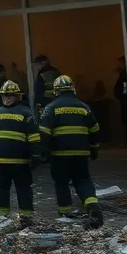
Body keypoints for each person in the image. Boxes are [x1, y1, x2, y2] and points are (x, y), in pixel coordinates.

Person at [37, 74, 103, 229]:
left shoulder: (51, 108)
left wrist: (42, 151)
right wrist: (94, 148)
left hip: (60, 154)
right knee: (83, 180)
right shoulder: (84, 107)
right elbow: (95, 129)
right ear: (73, 90)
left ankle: (65, 213)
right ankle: (93, 206)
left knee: (61, 182)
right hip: (81, 153)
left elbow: (44, 132)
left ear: (55, 91)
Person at [0, 80, 40, 229]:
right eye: (4, 96)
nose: (7, 99)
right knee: (10, 190)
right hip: (11, 162)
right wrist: (35, 155)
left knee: (15, 189)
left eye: (10, 96)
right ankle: (6, 218)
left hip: (12, 162)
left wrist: (35, 155)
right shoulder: (26, 114)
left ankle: (22, 218)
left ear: (17, 97)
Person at [114, 56, 127, 142]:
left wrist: (124, 96)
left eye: (121, 63)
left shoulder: (126, 74)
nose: (119, 65)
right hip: (125, 101)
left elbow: (125, 87)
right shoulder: (124, 74)